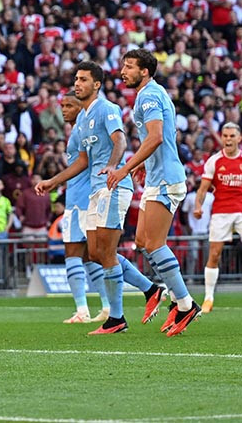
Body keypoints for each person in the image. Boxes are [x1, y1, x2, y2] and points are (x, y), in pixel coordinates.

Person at [37, 62, 159, 334]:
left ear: (96, 84)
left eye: (83, 79)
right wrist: (53, 182)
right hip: (94, 187)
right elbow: (82, 160)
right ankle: (150, 289)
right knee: (95, 254)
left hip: (113, 186)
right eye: (76, 79)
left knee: (104, 252)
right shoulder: (81, 120)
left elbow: (120, 141)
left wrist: (114, 166)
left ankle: (117, 318)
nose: (77, 83)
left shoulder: (108, 108)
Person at [107, 49, 201, 336]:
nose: (123, 71)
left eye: (129, 66)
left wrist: (125, 168)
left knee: (156, 243)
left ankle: (185, 304)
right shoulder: (152, 93)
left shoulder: (148, 95)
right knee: (143, 241)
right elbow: (160, 137)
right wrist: (144, 164)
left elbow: (157, 136)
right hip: (157, 177)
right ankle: (171, 296)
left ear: (144, 71)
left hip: (167, 179)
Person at [55, 91, 108, 324]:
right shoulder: (83, 130)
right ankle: (106, 306)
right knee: (91, 256)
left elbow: (84, 165)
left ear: (80, 108)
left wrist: (53, 181)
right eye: (62, 105)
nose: (64, 109)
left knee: (74, 253)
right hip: (83, 198)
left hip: (79, 201)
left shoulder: (81, 130)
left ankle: (82, 310)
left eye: (69, 105)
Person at [193, 122, 242, 314]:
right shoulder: (214, 161)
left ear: (239, 138)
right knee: (214, 254)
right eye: (225, 136)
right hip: (221, 212)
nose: (228, 139)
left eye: (232, 136)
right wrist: (198, 205)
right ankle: (208, 297)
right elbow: (203, 188)